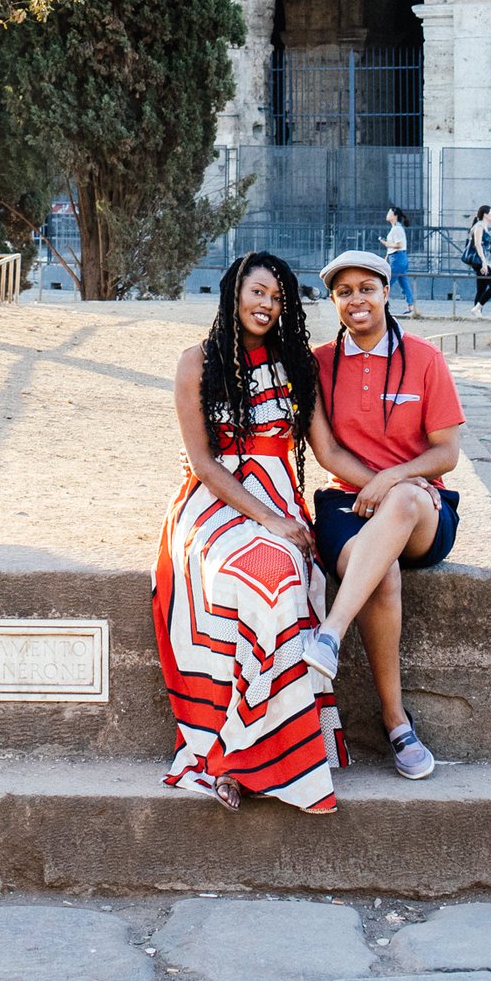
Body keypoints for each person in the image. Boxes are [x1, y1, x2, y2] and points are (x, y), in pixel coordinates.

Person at [153, 250, 347, 813]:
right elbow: (205, 465)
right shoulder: (196, 362)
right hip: (213, 504)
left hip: (280, 498)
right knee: (250, 576)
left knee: (284, 578)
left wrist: (395, 484)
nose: (266, 305)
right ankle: (237, 751)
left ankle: (245, 753)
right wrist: (272, 521)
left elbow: (327, 450)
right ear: (234, 293)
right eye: (257, 292)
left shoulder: (296, 364)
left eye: (277, 297)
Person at [300, 248, 464, 781]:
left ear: (387, 291)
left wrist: (393, 477)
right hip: (345, 503)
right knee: (381, 574)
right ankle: (398, 724)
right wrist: (372, 482)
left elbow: (446, 453)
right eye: (343, 292)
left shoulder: (424, 358)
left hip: (421, 509)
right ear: (334, 301)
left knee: (405, 499)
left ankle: (330, 633)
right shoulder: (320, 363)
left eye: (366, 289)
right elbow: (325, 451)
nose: (356, 300)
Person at [383, 205, 418, 314]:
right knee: (404, 282)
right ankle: (411, 305)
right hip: (400, 257)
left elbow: (399, 244)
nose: (387, 215)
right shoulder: (396, 228)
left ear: (395, 216)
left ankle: (381, 304)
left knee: (387, 282)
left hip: (397, 258)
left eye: (389, 213)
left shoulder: (397, 229)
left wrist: (386, 244)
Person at [465, 203, 491, 309]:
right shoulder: (479, 226)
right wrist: (484, 262)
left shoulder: (483, 227)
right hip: (479, 261)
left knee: (481, 288)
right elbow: (478, 245)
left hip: (482, 261)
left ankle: (477, 312)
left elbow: (485, 249)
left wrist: (490, 261)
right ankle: (476, 309)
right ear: (485, 215)